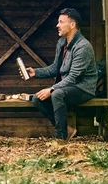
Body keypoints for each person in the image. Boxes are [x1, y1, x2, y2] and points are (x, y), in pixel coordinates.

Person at [27, 8, 97, 142]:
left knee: (57, 94)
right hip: (68, 88)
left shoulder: (83, 46)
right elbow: (56, 68)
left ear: (72, 25)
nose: (57, 25)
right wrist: (35, 72)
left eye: (61, 22)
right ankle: (67, 129)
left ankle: (60, 138)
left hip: (83, 88)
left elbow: (74, 77)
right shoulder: (62, 43)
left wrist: (52, 89)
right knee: (37, 98)